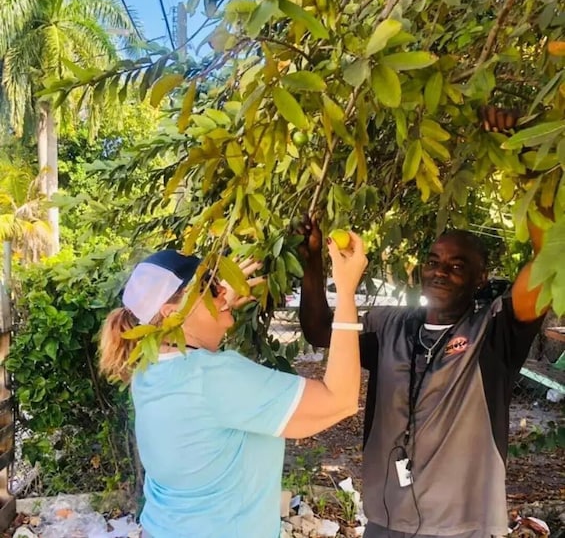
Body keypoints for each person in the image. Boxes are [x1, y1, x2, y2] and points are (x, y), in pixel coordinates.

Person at [98, 237, 367, 538]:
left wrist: (217, 307)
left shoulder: (148, 370)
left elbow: (200, 371)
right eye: (211, 287)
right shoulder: (213, 377)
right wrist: (345, 292)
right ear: (171, 313)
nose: (224, 291)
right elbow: (340, 399)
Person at [298, 216, 548, 538]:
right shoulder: (388, 326)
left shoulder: (493, 331)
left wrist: (544, 199)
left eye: (457, 266)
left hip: (462, 527)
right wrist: (312, 261)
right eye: (433, 262)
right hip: (385, 521)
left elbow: (543, 271)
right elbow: (320, 331)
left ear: (481, 279)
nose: (440, 272)